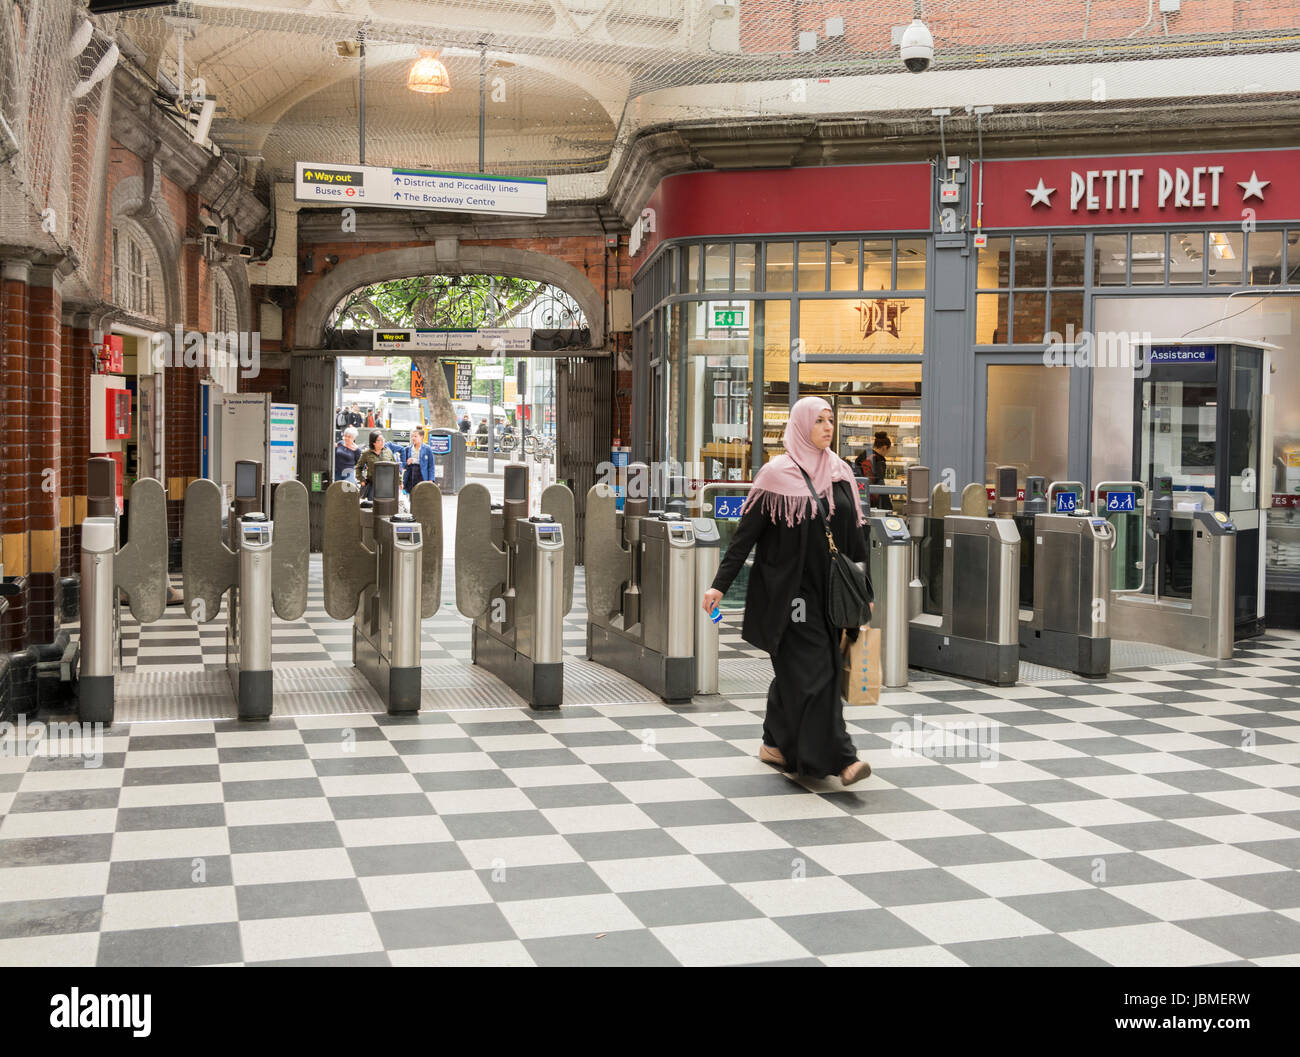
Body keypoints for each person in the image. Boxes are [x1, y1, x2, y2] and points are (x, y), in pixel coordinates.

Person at [701, 396, 873, 787]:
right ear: (800, 426)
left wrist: (865, 588)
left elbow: (855, 536)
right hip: (790, 598)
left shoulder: (841, 472)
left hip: (832, 595)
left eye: (831, 420)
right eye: (819, 421)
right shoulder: (775, 475)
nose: (828, 427)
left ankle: (774, 743)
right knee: (818, 674)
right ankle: (840, 759)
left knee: (802, 672)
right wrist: (718, 586)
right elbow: (745, 539)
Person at [354, 429, 396, 499]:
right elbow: (358, 467)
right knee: (372, 506)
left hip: (387, 485)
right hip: (372, 485)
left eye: (383, 439)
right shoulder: (366, 454)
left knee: (385, 506)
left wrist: (400, 482)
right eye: (379, 440)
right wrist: (361, 479)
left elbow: (395, 467)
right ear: (374, 442)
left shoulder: (388, 452)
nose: (382, 442)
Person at [401, 425, 437, 493]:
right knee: (411, 494)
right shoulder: (407, 449)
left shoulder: (427, 449)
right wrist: (407, 463)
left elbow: (431, 466)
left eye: (415, 436)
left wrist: (431, 479)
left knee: (421, 495)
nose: (413, 438)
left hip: (422, 475)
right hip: (410, 475)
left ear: (421, 437)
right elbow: (403, 466)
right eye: (412, 436)